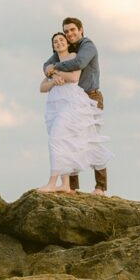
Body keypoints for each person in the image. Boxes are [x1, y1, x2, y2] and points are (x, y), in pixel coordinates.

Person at [38, 32, 112, 193]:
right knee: (67, 142)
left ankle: (99, 187)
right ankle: (68, 186)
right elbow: (42, 84)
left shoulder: (84, 48)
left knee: (90, 140)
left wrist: (54, 72)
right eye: (56, 41)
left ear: (80, 30)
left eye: (62, 39)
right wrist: (51, 77)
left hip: (84, 98)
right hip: (57, 104)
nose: (61, 41)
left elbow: (74, 74)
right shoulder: (55, 61)